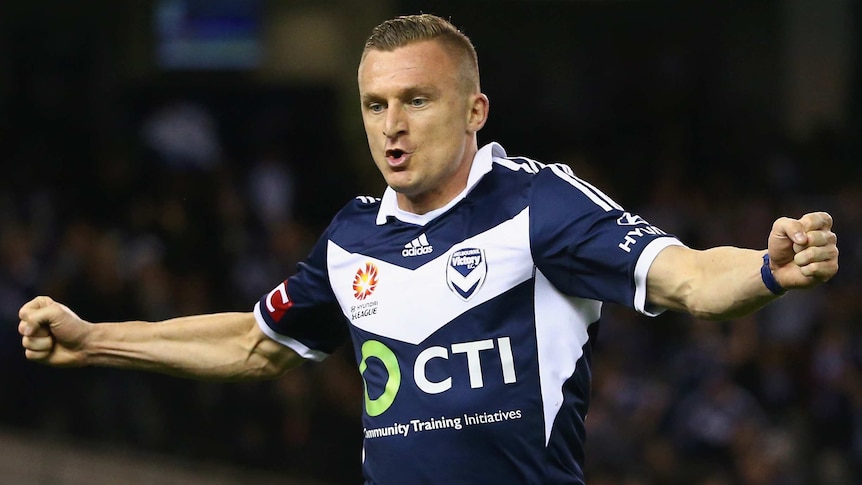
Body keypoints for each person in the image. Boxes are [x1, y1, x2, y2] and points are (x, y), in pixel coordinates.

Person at [18, 14, 838, 485]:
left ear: (474, 108)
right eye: (376, 104)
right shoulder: (350, 236)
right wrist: (96, 341)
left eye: (417, 99)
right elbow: (254, 344)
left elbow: (689, 278)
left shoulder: (537, 204)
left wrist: (769, 268)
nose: (393, 125)